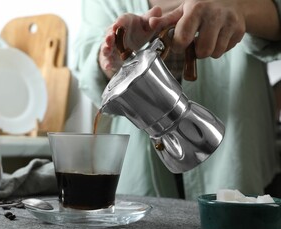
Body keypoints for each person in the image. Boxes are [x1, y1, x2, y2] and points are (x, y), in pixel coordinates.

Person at [73, 0, 281, 200]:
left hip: (238, 149)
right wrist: (114, 57)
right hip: (141, 167)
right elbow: (89, 62)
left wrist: (241, 7)